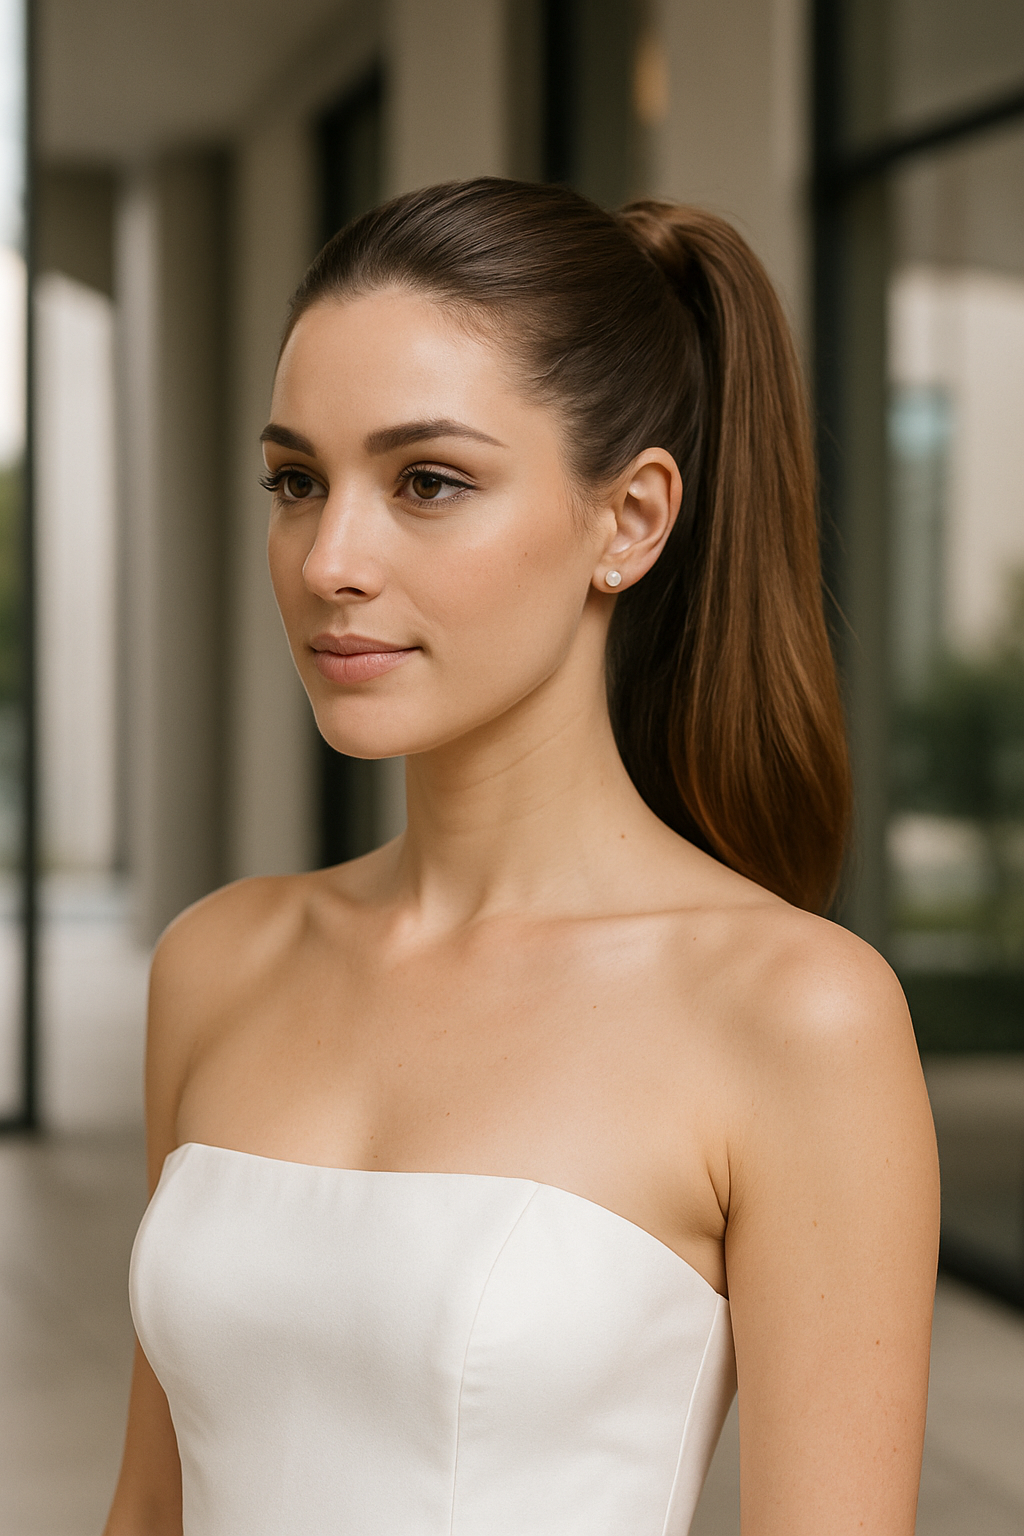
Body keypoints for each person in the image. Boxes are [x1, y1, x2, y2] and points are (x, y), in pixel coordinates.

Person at [104, 178, 939, 1536]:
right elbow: (149, 1507)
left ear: (631, 521)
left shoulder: (796, 1015)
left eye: (427, 481)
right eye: (298, 481)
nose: (330, 559)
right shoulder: (218, 962)